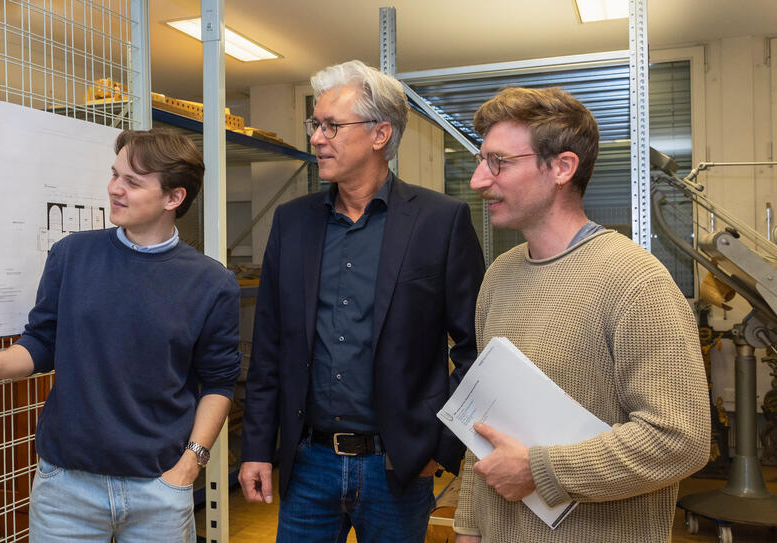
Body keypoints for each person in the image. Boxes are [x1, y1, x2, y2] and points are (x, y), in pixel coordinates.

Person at [0, 129, 242, 543]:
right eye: (115, 175)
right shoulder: (71, 255)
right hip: (67, 489)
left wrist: (189, 465)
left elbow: (219, 383)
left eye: (132, 182)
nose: (114, 189)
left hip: (159, 489)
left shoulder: (212, 283)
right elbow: (42, 342)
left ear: (173, 198)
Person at [238, 59, 485, 543]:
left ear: (380, 134)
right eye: (315, 124)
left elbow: (476, 347)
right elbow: (268, 346)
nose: (317, 138)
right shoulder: (292, 222)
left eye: (332, 125)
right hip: (307, 464)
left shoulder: (440, 221)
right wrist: (257, 449)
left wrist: (441, 447)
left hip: (397, 467)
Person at [453, 86, 709, 542]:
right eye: (480, 160)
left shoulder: (634, 281)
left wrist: (541, 470)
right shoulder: (499, 276)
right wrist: (469, 527)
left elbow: (679, 440)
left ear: (562, 167)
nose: (477, 180)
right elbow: (485, 426)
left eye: (498, 162)